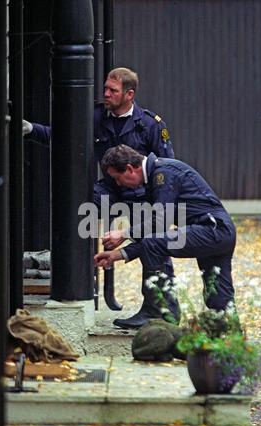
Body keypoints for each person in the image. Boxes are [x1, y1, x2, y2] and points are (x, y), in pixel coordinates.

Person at [23, 67, 180, 326]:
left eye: (112, 90)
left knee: (155, 244)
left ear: (129, 94)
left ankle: (161, 311)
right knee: (78, 205)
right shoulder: (96, 117)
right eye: (105, 88)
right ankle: (73, 277)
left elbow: (166, 166)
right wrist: (32, 130)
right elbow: (64, 137)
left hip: (142, 196)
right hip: (111, 190)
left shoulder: (149, 124)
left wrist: (160, 208)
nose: (105, 93)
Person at [94, 145, 237, 329]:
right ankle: (230, 341)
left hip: (211, 229)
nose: (119, 184)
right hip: (218, 231)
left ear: (130, 168)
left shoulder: (163, 174)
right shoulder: (158, 174)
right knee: (218, 295)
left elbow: (159, 224)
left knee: (155, 244)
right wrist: (119, 255)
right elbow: (155, 236)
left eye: (117, 178)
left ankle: (160, 312)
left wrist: (124, 234)